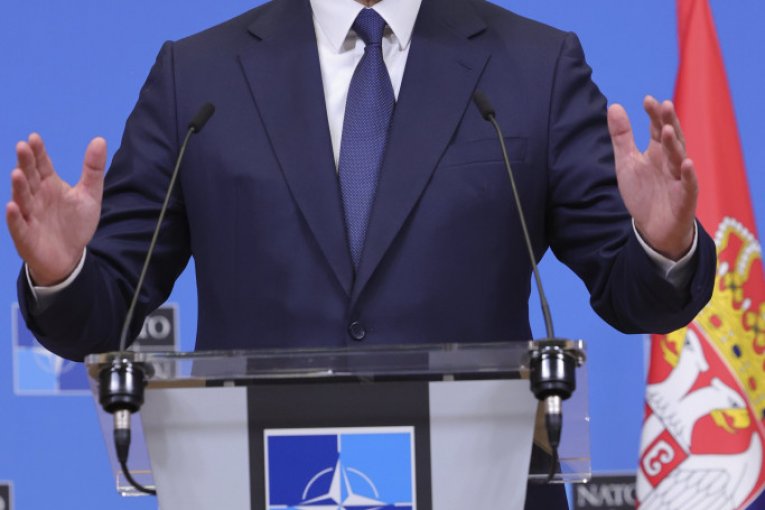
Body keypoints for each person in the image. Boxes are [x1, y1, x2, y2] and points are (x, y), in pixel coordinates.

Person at [7, 0, 716, 507]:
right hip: (255, 484)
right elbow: (106, 310)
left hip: (485, 484)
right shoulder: (196, 77)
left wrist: (663, 245)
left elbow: (631, 291)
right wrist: (61, 273)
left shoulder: (536, 66)